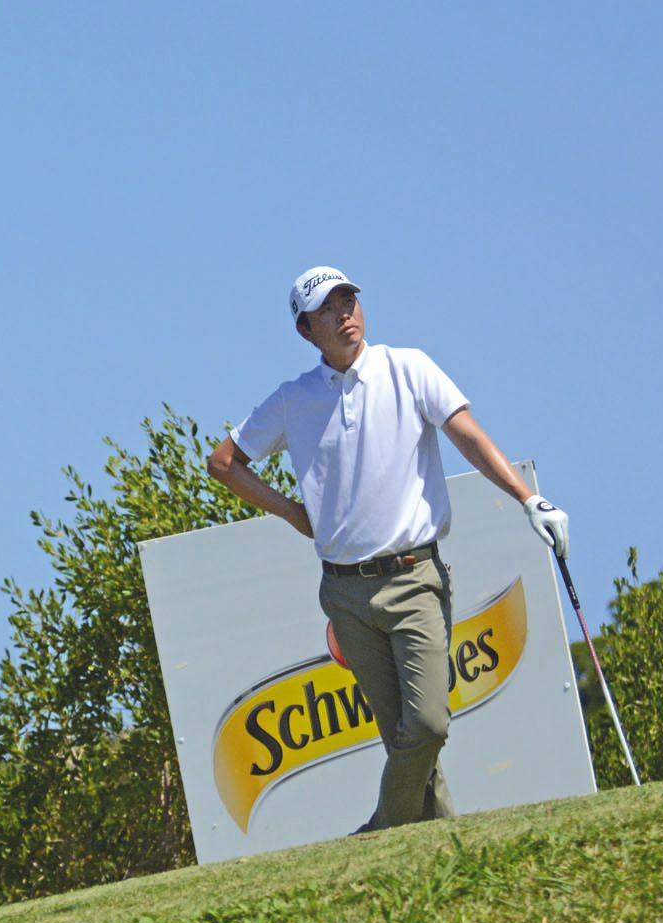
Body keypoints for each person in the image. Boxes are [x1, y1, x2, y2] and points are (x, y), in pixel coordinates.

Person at [205, 266, 570, 833]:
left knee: (426, 728)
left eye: (348, 300)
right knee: (401, 733)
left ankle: (380, 832)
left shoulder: (409, 368)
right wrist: (293, 513)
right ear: (306, 330)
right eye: (327, 308)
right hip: (344, 594)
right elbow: (224, 463)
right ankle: (437, 845)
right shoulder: (292, 400)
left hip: (413, 578)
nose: (344, 313)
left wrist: (529, 499)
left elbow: (468, 435)